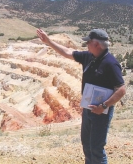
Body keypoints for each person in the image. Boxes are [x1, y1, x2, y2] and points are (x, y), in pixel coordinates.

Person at [36, 28, 126, 164]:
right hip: (88, 109)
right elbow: (67, 52)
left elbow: (121, 89)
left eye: (88, 42)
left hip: (101, 112)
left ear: (97, 44)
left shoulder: (111, 63)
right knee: (86, 145)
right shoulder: (89, 57)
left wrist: (103, 106)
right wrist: (48, 42)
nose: (86, 44)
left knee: (96, 148)